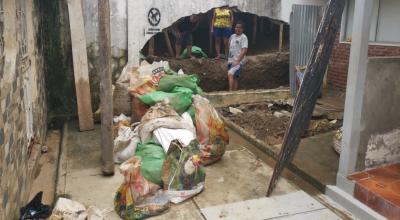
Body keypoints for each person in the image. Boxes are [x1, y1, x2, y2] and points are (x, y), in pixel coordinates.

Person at [227, 21, 248, 91]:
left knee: (230, 74)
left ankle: (230, 93)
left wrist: (238, 61)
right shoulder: (232, 36)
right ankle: (234, 93)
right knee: (235, 78)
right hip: (231, 60)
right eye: (236, 27)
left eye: (239, 27)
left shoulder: (243, 37)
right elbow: (229, 46)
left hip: (238, 61)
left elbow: (244, 50)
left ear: (243, 29)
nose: (237, 29)